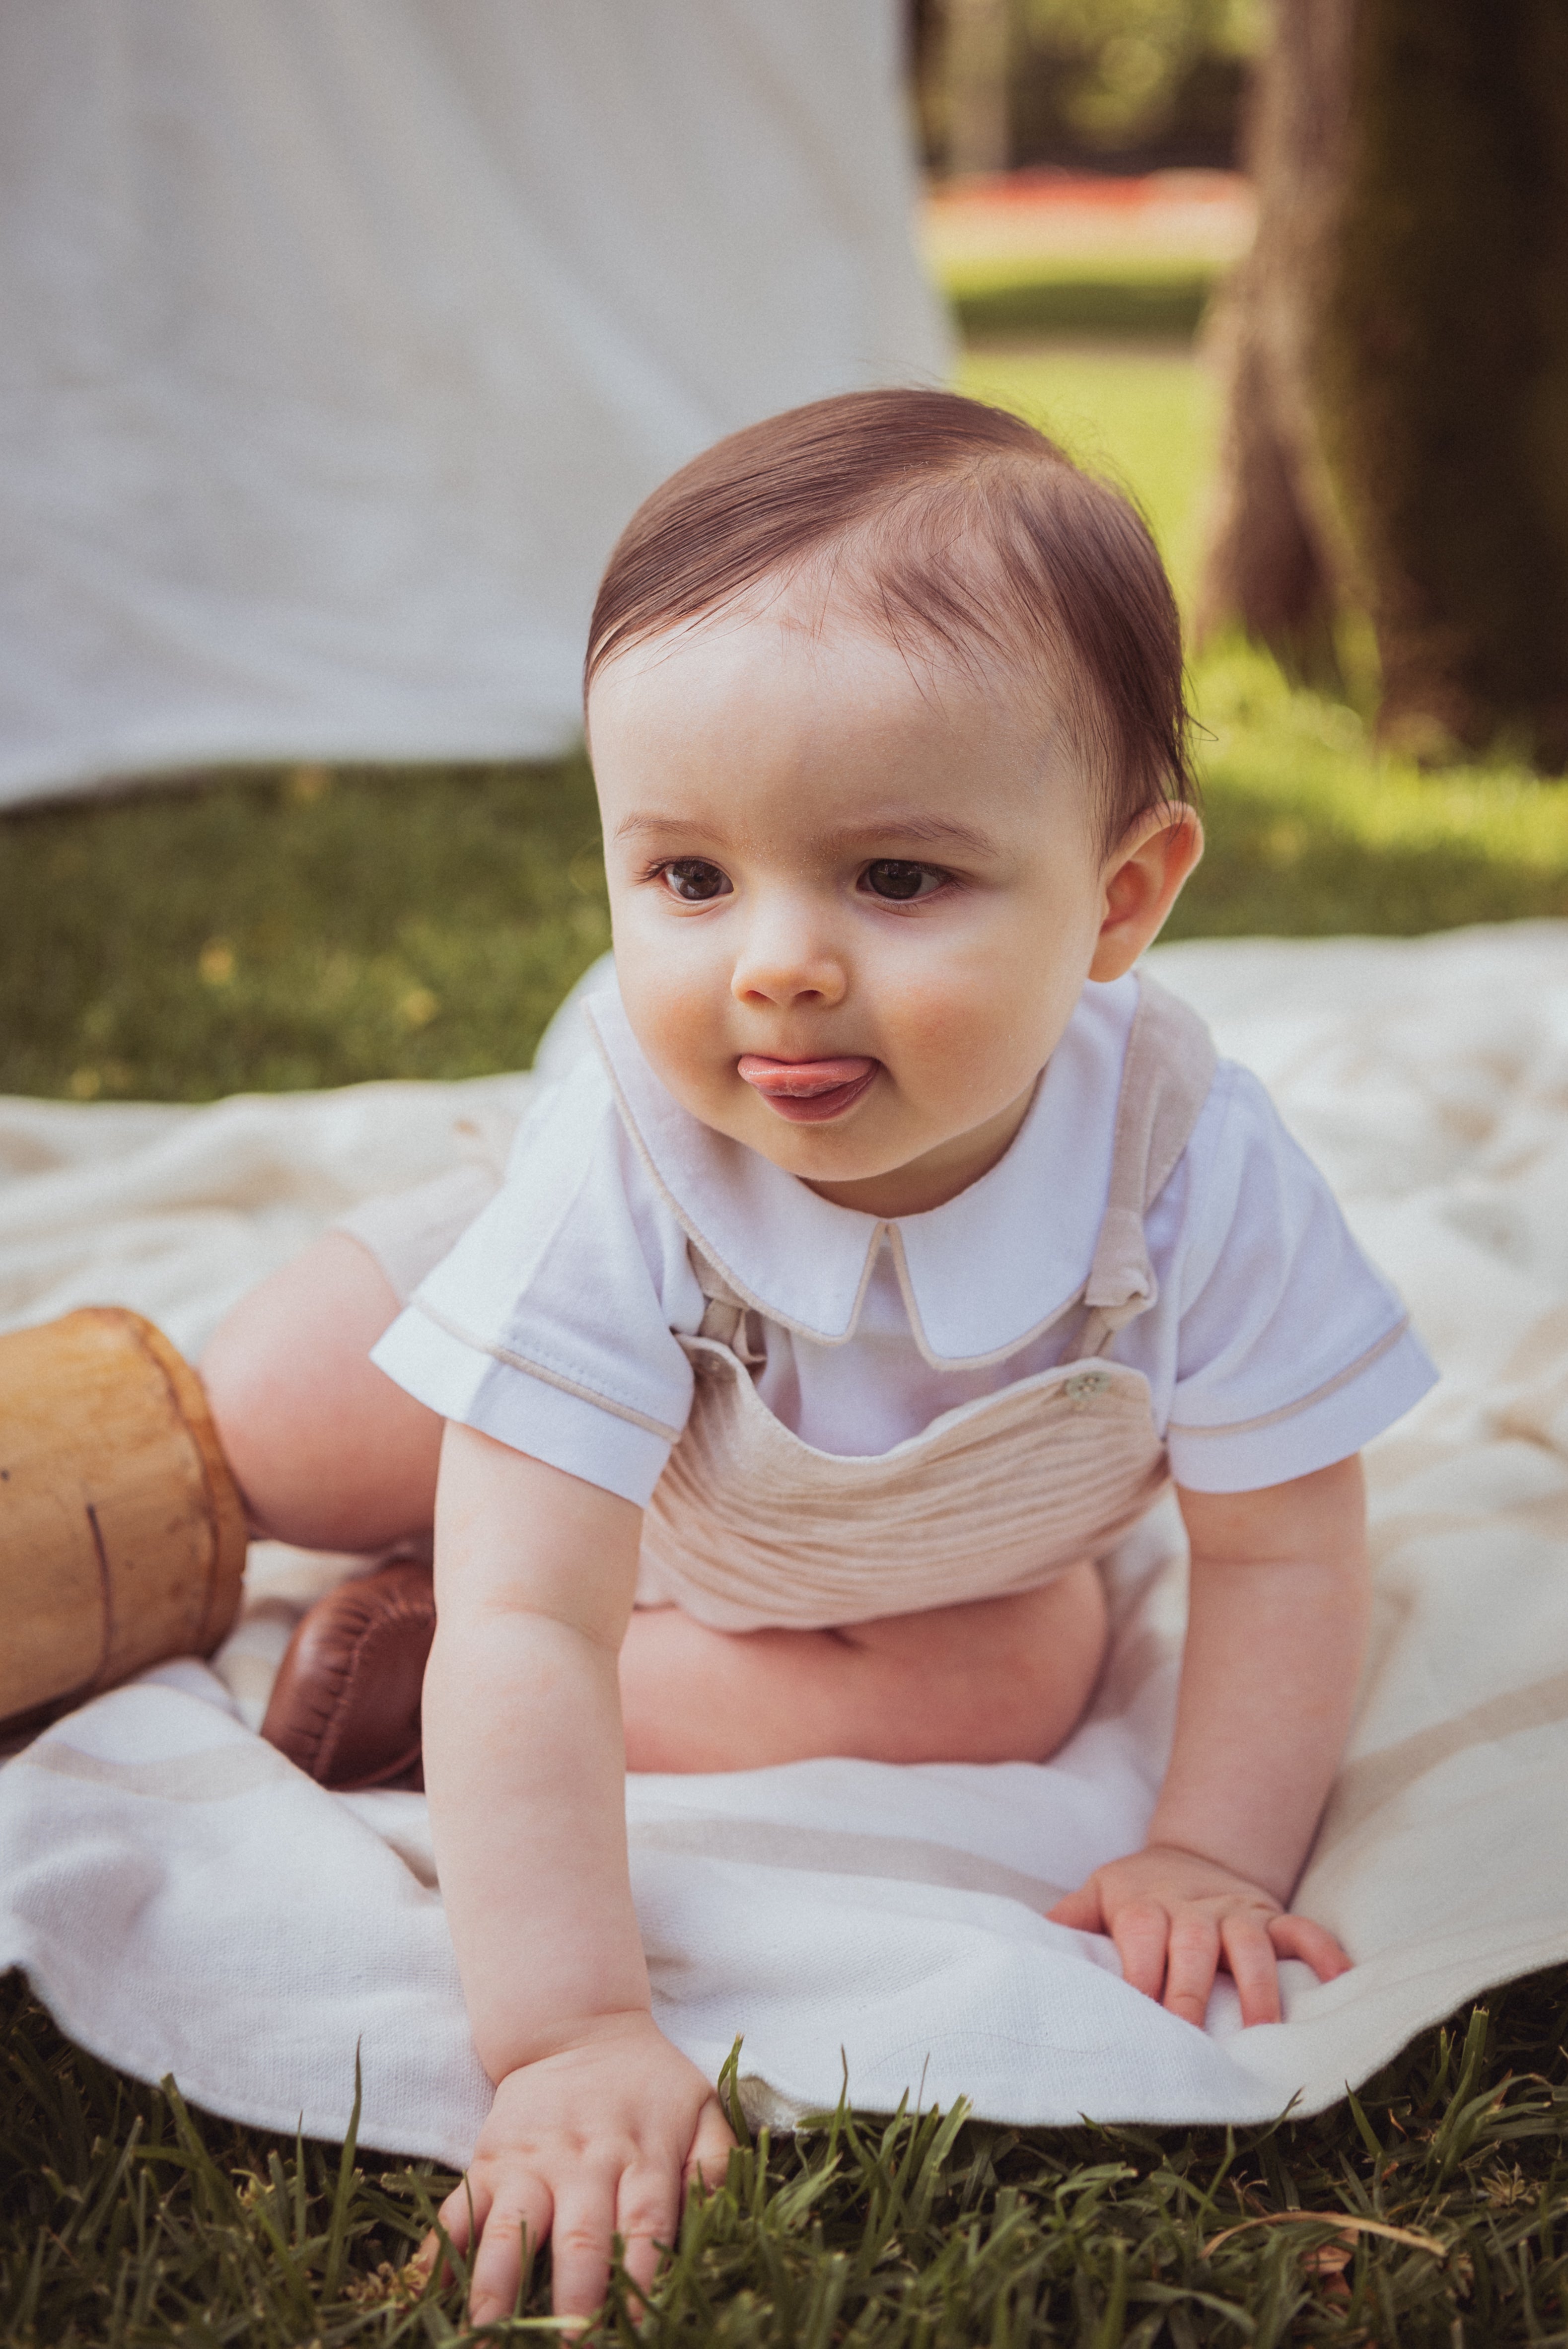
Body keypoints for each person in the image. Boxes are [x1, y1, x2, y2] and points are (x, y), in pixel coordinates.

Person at [199, 390, 1436, 2323]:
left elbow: (1281, 1547)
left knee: (1029, 1672)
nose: (772, 963)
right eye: (688, 878)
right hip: (619, 1381)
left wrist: (1204, 1843)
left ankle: (390, 1659)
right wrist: (569, 2030)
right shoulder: (634, 1142)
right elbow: (547, 1610)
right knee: (273, 1411)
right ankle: (208, 1498)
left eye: (895, 879)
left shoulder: (1187, 1159)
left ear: (1120, 900)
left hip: (915, 1550)